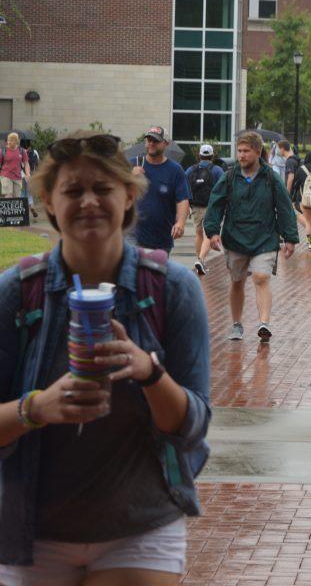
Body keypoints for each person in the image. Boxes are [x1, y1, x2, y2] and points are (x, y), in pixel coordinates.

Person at [0, 129, 211, 585]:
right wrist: (37, 407)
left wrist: (150, 371)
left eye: (103, 189)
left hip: (140, 524)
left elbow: (194, 426)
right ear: (49, 203)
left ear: (130, 197)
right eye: (73, 190)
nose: (89, 202)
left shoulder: (173, 289)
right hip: (32, 530)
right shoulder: (17, 292)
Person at [203, 131, 299, 343]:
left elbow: (284, 207)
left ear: (257, 151)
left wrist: (290, 237)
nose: (242, 155)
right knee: (237, 281)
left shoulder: (271, 178)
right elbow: (215, 204)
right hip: (235, 237)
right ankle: (237, 324)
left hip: (264, 238)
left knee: (261, 277)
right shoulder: (229, 177)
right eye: (239, 151)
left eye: (246, 151)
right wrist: (212, 232)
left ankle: (264, 323)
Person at [129, 126, 189, 254]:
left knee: (157, 273)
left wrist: (181, 223)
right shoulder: (133, 164)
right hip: (133, 235)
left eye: (155, 141)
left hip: (162, 238)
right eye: (148, 140)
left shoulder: (175, 170)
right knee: (134, 271)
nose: (151, 144)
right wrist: (130, 178)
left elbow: (183, 199)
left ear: (165, 143)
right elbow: (114, 189)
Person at [183, 144, 225, 276]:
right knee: (209, 233)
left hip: (195, 206)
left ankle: (199, 261)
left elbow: (184, 185)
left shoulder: (190, 170)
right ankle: (201, 260)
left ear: (199, 156)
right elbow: (224, 187)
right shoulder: (217, 170)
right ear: (212, 156)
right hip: (211, 206)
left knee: (199, 233)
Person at [0, 133, 31, 199]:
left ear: (17, 141)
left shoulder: (22, 151)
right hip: (6, 175)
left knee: (17, 198)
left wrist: (27, 174)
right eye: (9, 141)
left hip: (17, 177)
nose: (9, 143)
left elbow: (26, 163)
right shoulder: (3, 151)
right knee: (9, 196)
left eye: (12, 141)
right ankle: (8, 209)